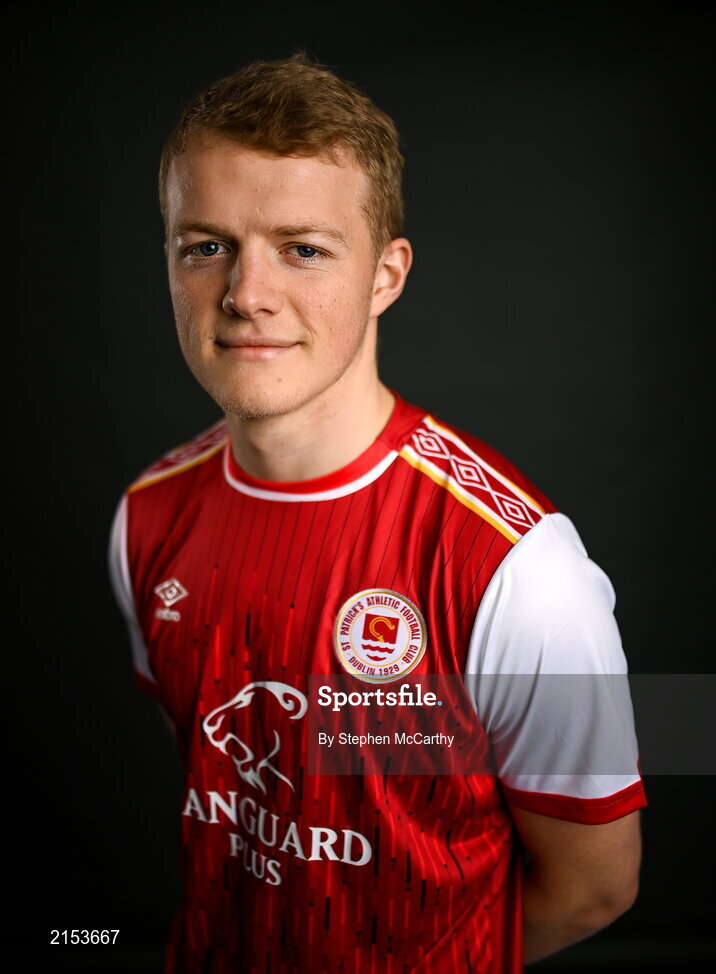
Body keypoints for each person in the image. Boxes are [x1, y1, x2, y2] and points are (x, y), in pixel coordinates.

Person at [108, 52, 646, 973]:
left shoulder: (518, 569)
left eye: (303, 249)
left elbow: (595, 887)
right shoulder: (145, 516)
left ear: (386, 276)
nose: (245, 295)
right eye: (207, 246)